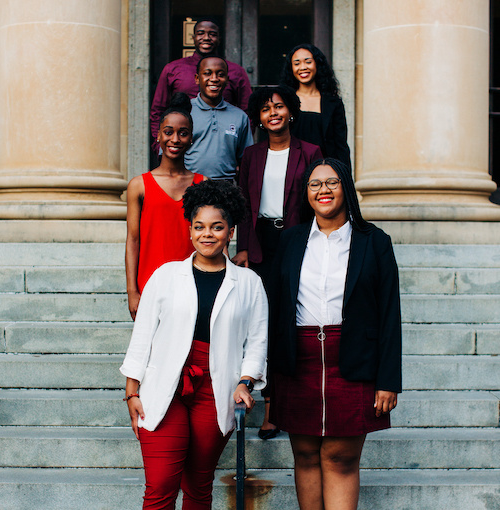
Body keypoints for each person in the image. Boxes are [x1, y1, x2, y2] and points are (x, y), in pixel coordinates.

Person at [120, 180, 268, 509]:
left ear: (230, 231)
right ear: (189, 231)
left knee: (199, 484)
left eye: (217, 227)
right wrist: (132, 390)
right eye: (199, 226)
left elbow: (256, 345)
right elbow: (142, 336)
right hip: (163, 387)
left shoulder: (249, 284)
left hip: (216, 390)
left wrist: (246, 382)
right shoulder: (165, 275)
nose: (207, 234)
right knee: (160, 484)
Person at [268, 158, 402, 509]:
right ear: (306, 193)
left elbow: (389, 313)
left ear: (346, 187)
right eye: (314, 184)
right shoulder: (291, 240)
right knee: (306, 454)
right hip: (298, 361)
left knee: (341, 458)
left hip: (354, 359)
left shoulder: (374, 241)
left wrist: (388, 380)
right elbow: (276, 307)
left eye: (331, 182)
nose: (323, 190)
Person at [232, 85, 322, 439]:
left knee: (288, 321)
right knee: (263, 323)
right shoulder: (251, 156)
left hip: (297, 241)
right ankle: (269, 403)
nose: (273, 113)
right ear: (258, 117)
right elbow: (242, 205)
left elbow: (319, 199)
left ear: (291, 112)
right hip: (260, 244)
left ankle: (283, 405)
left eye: (280, 107)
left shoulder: (311, 152)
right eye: (266, 108)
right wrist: (243, 248)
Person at [125, 93, 205, 320]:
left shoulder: (202, 183)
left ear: (191, 139)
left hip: (193, 280)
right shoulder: (139, 185)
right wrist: (132, 290)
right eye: (168, 132)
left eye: (183, 133)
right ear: (158, 136)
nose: (175, 139)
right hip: (150, 282)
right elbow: (133, 239)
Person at [150, 18, 252, 154]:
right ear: (193, 37)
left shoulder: (236, 72)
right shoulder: (173, 69)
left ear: (219, 39)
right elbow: (158, 111)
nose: (206, 38)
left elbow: (248, 112)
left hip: (222, 152)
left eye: (212, 34)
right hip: (179, 149)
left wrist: (239, 152)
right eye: (201, 33)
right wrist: (161, 148)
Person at [280, 43, 352, 170]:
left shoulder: (333, 103)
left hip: (325, 172)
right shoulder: (284, 102)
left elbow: (341, 145)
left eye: (308, 62)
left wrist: (345, 179)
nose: (302, 67)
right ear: (291, 68)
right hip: (291, 170)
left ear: (317, 64)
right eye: (297, 63)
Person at [184, 55, 253, 181]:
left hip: (226, 188)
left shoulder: (239, 117)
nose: (214, 79)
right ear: (197, 78)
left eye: (220, 74)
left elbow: (246, 161)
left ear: (227, 80)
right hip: (189, 186)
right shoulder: (184, 112)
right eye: (207, 73)